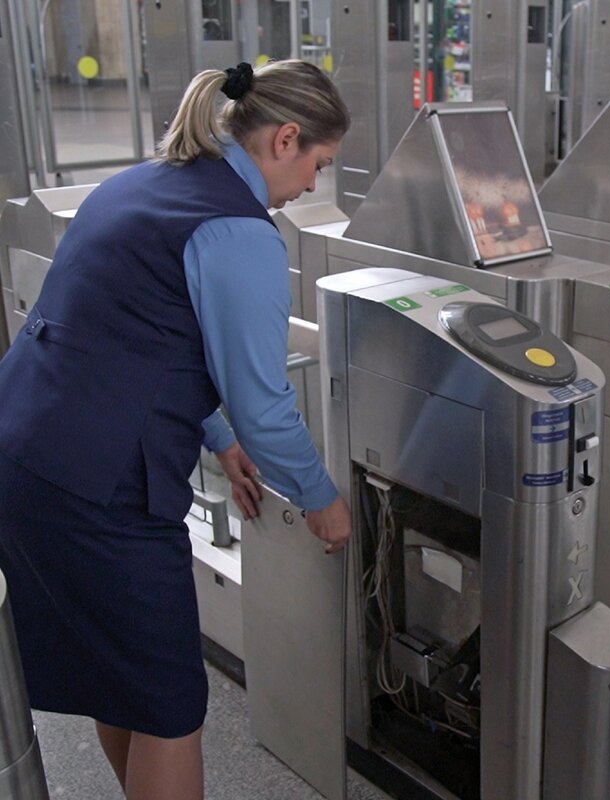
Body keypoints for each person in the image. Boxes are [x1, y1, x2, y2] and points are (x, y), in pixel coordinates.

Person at [0, 60, 352, 799]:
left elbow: (139, 335)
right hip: (99, 490)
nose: (314, 186)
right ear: (285, 138)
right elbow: (264, 401)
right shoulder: (239, 232)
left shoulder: (141, 182)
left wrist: (217, 437)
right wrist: (322, 499)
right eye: (318, 164)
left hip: (26, 452)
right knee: (169, 707)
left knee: (114, 681)